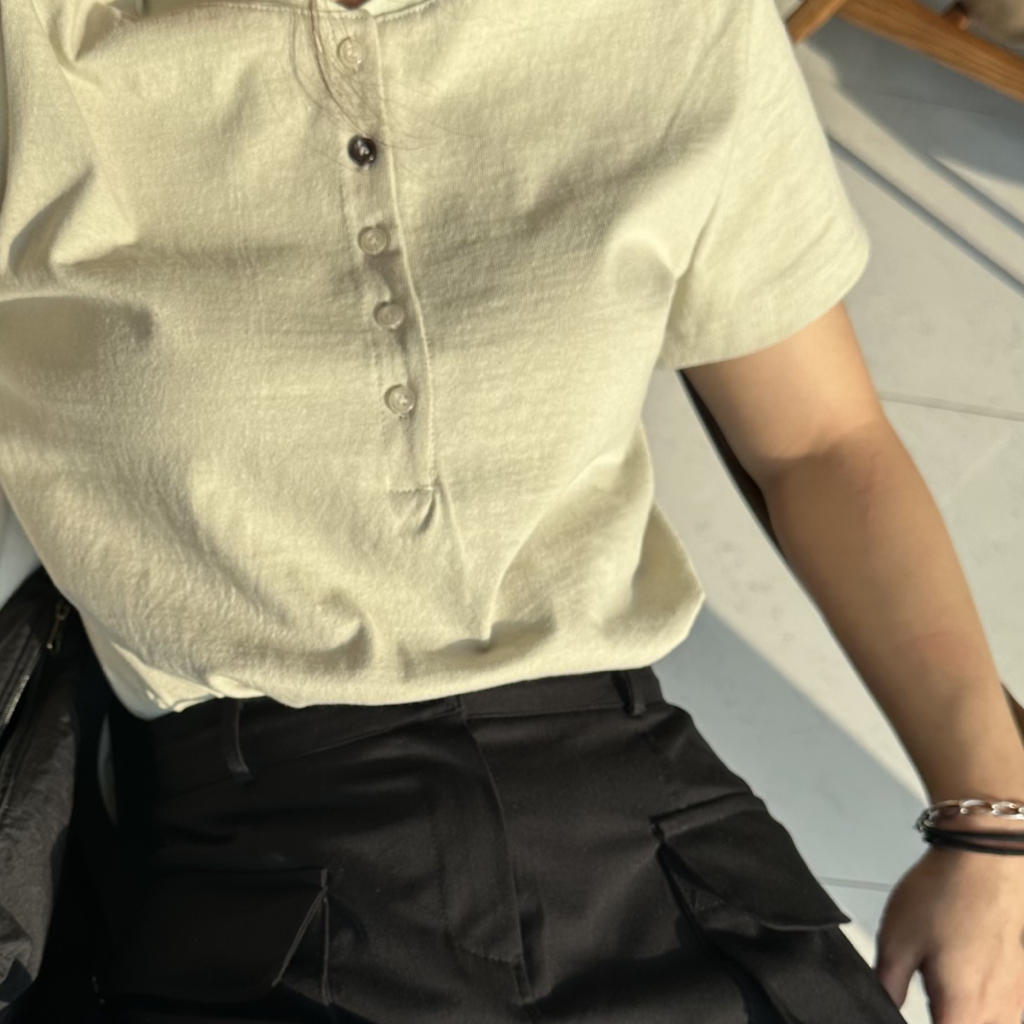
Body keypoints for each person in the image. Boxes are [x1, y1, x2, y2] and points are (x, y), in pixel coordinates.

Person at [3, 0, 1022, 1020]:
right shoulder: (39, 47)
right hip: (256, 870)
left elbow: (819, 445)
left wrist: (995, 823)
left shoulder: (667, 22)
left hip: (660, 836)